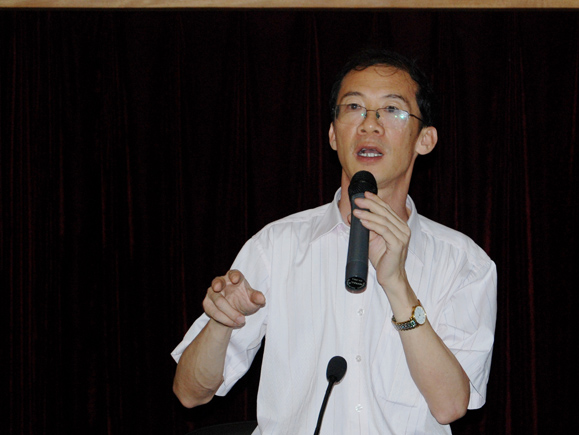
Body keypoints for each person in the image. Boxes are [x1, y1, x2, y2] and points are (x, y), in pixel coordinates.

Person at [172, 49, 497, 435]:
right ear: (332, 134)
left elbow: (450, 406)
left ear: (425, 140)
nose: (370, 124)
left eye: (391, 109)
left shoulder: (464, 263)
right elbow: (190, 393)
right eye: (354, 107)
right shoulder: (276, 246)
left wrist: (397, 286)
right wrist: (220, 323)